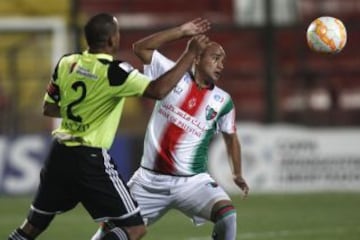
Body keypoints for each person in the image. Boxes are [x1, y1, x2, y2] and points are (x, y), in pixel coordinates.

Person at [8, 13, 209, 240]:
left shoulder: (66, 62)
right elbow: (158, 90)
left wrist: (84, 110)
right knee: (135, 228)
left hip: (59, 155)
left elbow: (49, 108)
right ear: (113, 40)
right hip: (89, 159)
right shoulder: (115, 71)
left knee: (32, 227)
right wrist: (189, 54)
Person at [91, 18, 249, 240]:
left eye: (223, 60)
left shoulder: (223, 101)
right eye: (215, 58)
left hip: (192, 182)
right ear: (197, 58)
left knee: (227, 216)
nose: (221, 65)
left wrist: (237, 173)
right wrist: (181, 31)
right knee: (110, 232)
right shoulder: (170, 73)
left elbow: (231, 137)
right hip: (148, 182)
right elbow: (140, 48)